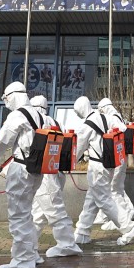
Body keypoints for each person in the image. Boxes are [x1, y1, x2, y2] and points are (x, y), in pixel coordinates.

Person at [72, 96, 134, 246]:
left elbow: (77, 149)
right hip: (111, 164)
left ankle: (129, 229)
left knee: (104, 200)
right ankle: (82, 232)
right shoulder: (107, 117)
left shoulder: (87, 126)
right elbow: (123, 130)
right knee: (92, 199)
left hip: (97, 167)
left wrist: (67, 165)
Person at [0, 81, 44, 268]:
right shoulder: (41, 115)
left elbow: (3, 141)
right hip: (37, 170)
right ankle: (32, 254)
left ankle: (22, 260)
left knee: (18, 216)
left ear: (12, 95)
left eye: (6, 99)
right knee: (27, 214)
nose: (6, 103)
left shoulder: (17, 115)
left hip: (21, 169)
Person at [29, 95, 82, 259]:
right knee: (38, 212)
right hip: (57, 170)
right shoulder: (56, 122)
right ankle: (28, 245)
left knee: (53, 207)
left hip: (45, 173)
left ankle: (67, 244)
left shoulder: (35, 122)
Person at [93, 98, 134, 229]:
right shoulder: (118, 115)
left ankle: (121, 216)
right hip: (121, 156)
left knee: (113, 189)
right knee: (116, 188)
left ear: (103, 108)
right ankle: (126, 211)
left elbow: (121, 129)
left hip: (117, 157)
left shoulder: (113, 117)